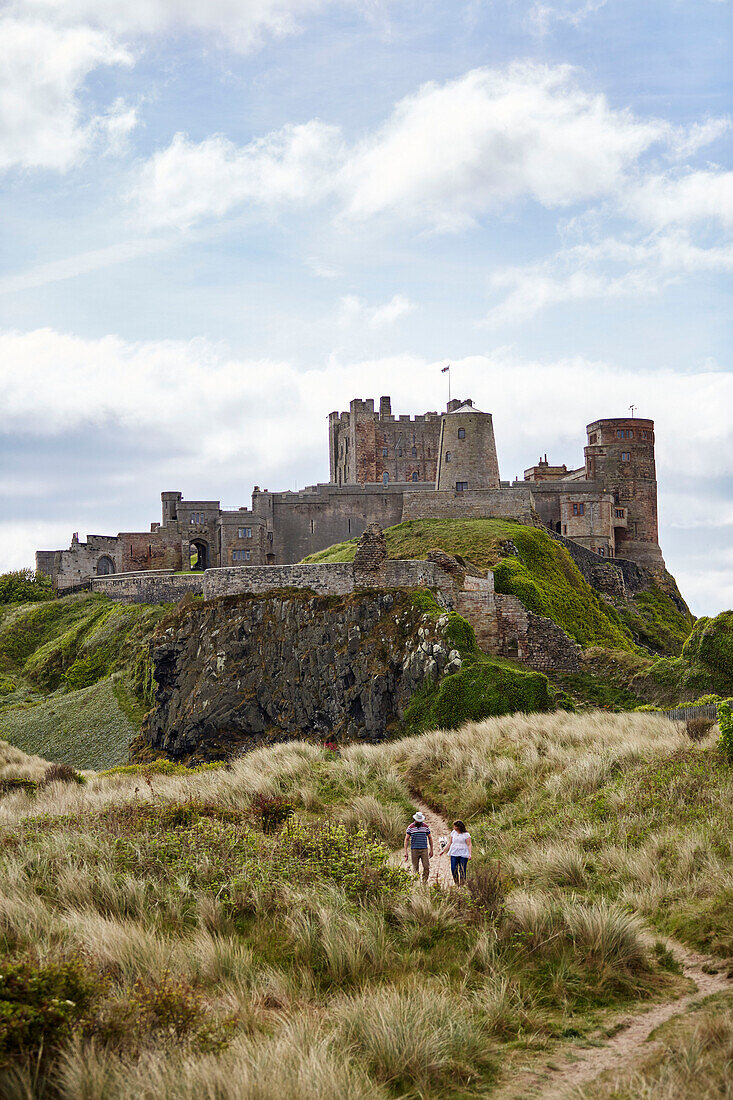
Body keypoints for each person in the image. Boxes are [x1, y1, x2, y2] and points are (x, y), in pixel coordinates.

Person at [404, 811, 433, 883]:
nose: (419, 822)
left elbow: (430, 838)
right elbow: (406, 839)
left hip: (424, 849)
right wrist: (406, 852)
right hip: (414, 849)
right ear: (415, 819)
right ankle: (417, 882)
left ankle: (424, 881)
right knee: (415, 868)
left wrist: (431, 850)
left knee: (426, 867)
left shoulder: (426, 827)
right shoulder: (410, 827)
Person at [444, 820, 472, 884]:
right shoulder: (453, 833)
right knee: (453, 869)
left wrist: (470, 854)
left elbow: (469, 844)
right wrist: (444, 850)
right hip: (454, 853)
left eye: (455, 826)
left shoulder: (466, 834)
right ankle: (457, 884)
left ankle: (462, 885)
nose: (453, 827)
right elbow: (450, 842)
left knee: (462, 870)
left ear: (458, 827)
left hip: (463, 854)